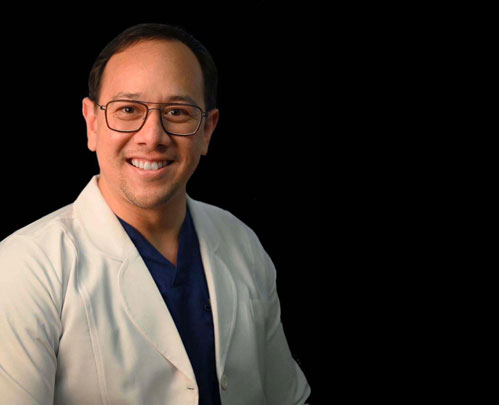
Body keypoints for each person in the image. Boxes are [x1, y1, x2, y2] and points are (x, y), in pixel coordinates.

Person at [0, 23, 311, 404]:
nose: (152, 137)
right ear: (92, 123)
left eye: (177, 112)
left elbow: (287, 398)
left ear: (207, 130)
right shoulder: (26, 267)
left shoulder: (240, 241)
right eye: (128, 110)